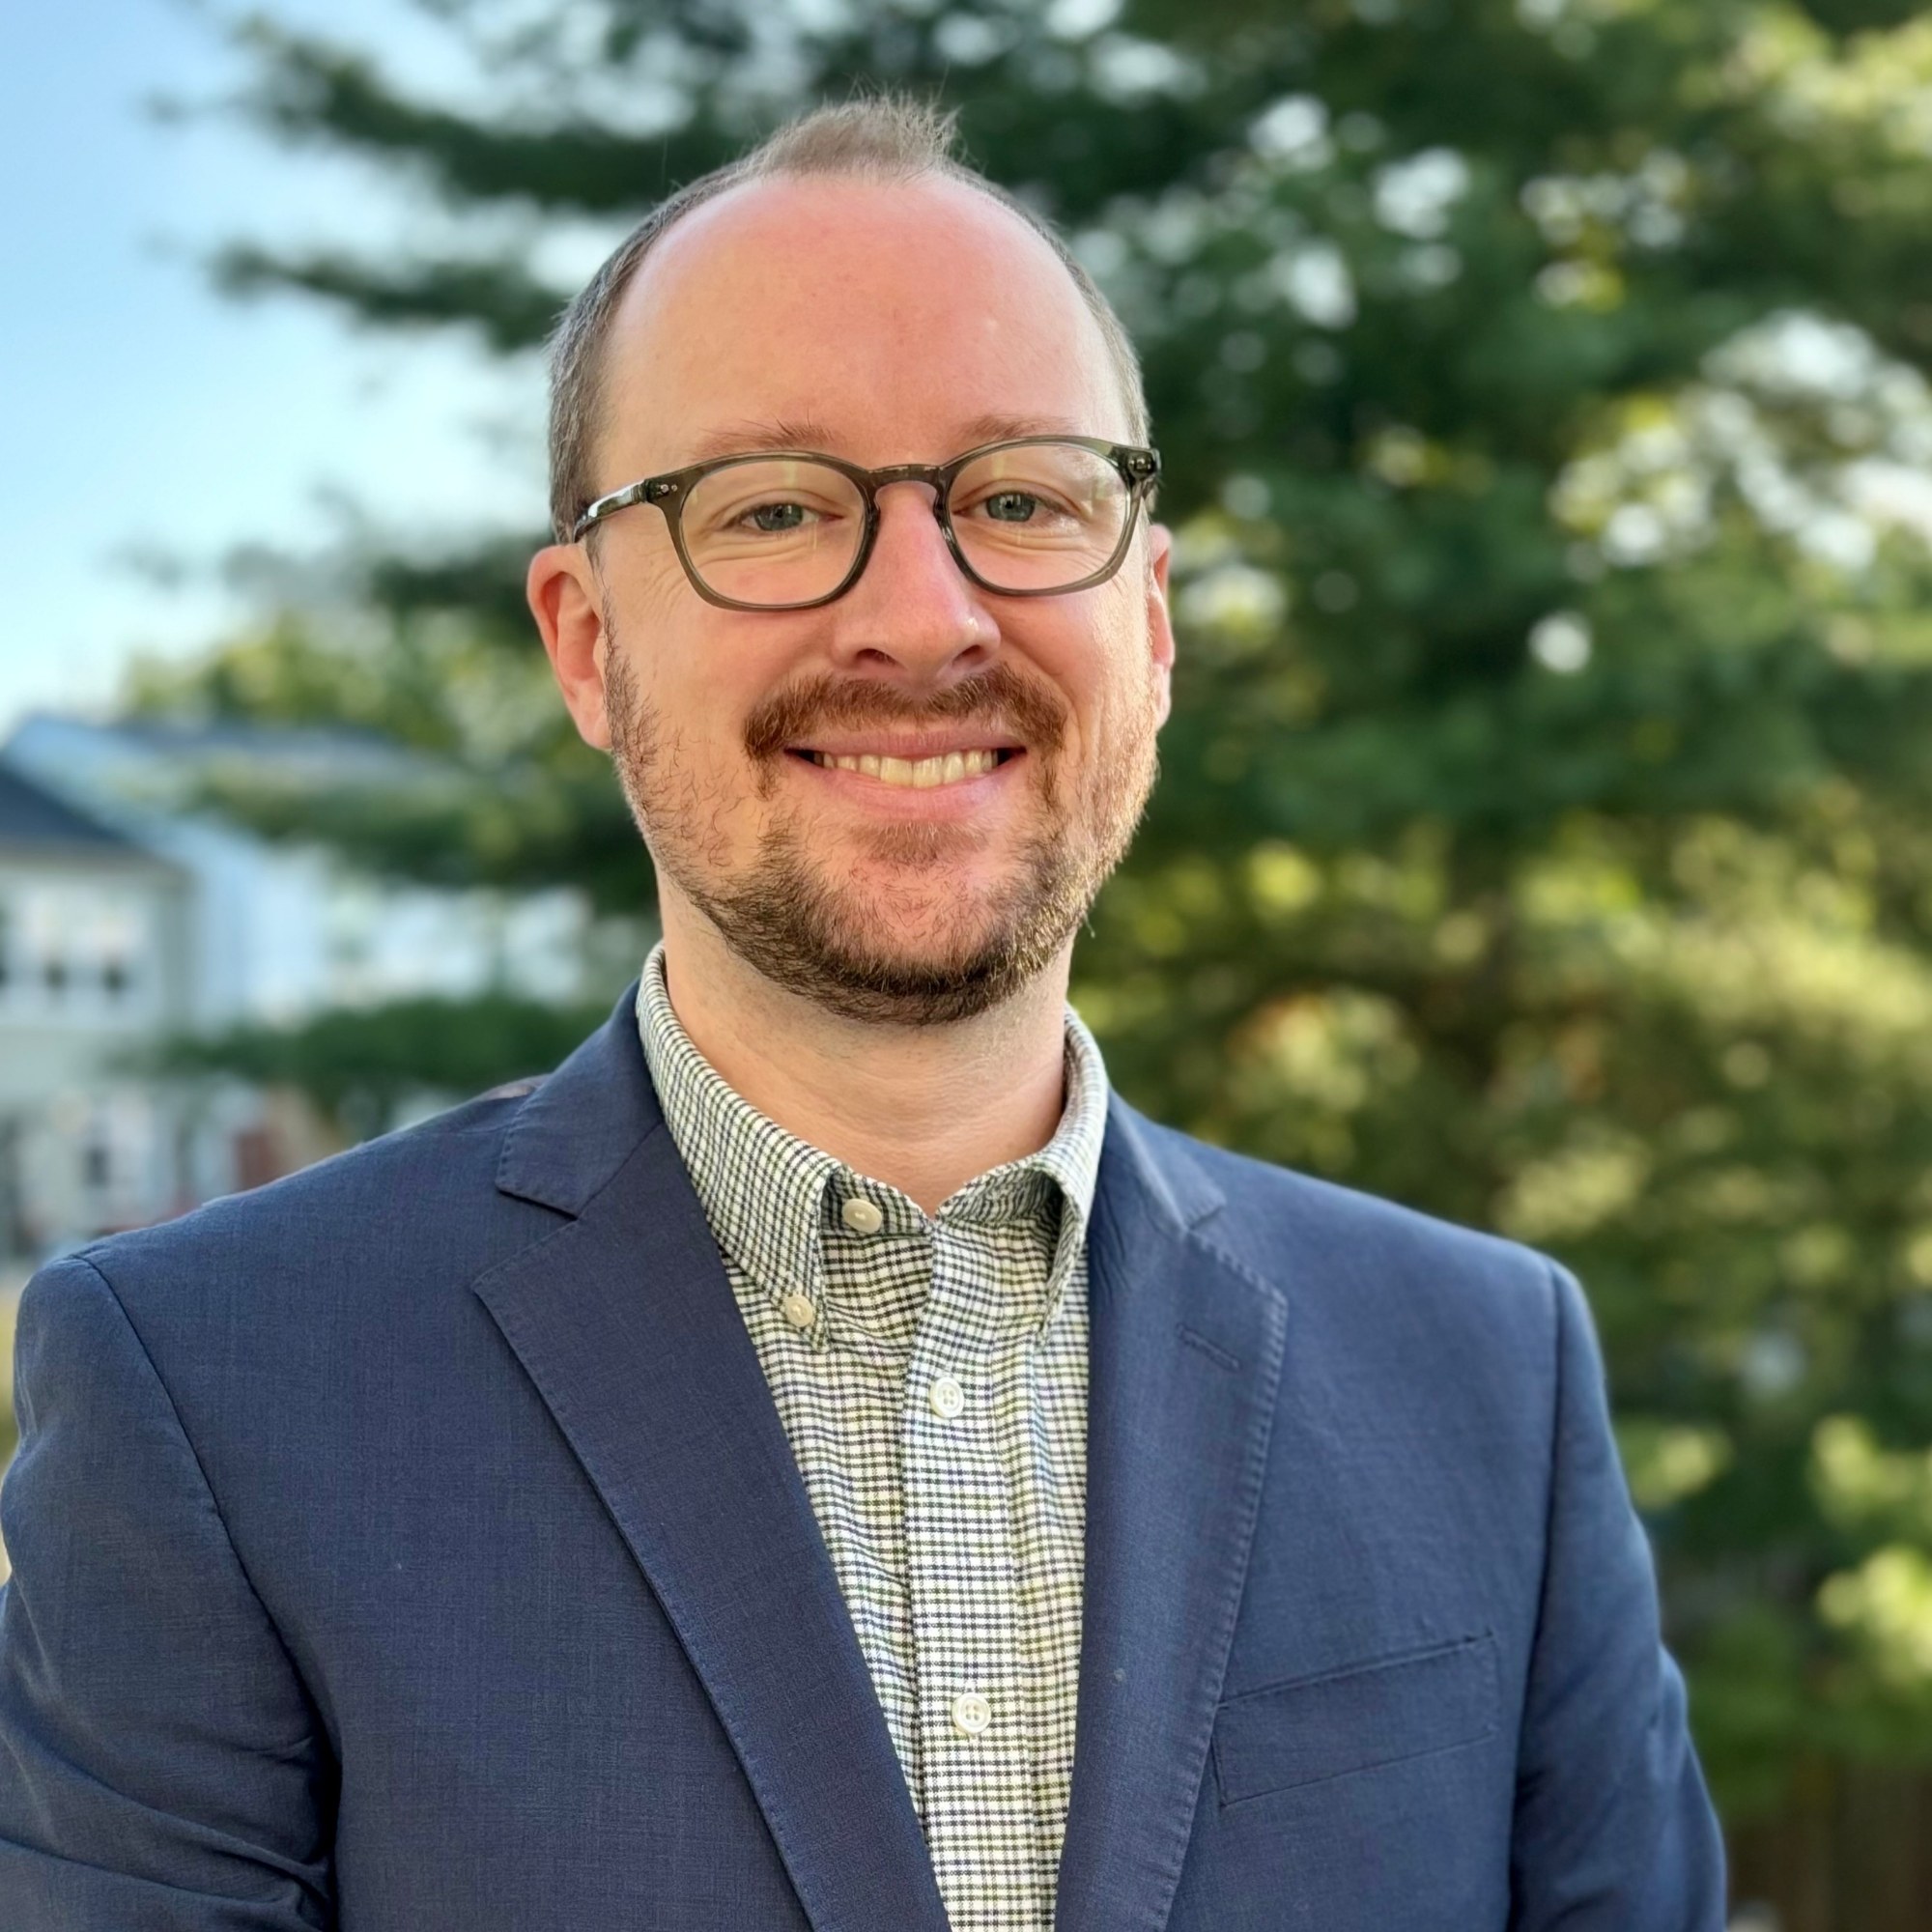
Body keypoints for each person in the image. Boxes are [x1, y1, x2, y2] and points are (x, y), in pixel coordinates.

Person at [0, 97, 1725, 1932]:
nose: (923, 614)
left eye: (1019, 499)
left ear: (1151, 625)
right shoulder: (212, 1390)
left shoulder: (1490, 1382)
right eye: (771, 508)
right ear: (586, 640)